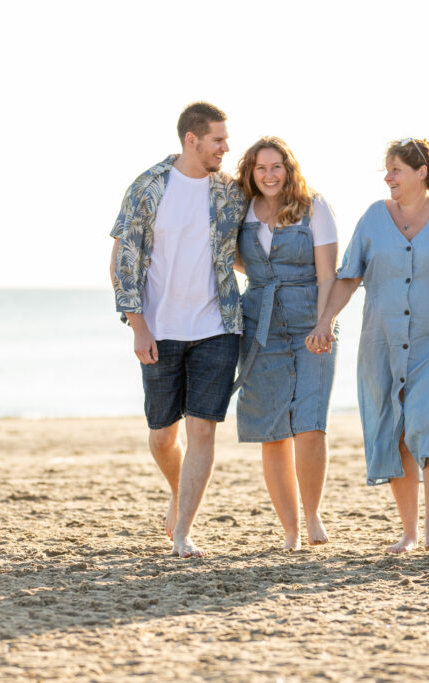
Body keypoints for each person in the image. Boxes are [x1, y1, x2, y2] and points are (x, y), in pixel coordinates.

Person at [307, 138, 429, 554]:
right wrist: (325, 320)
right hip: (381, 342)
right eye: (387, 169)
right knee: (397, 432)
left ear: (421, 172)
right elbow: (348, 277)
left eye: (396, 168)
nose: (388, 177)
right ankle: (409, 531)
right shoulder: (372, 217)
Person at [109, 102, 246, 558]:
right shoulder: (148, 187)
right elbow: (121, 263)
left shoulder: (229, 191)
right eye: (218, 140)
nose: (226, 148)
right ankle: (177, 490)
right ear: (192, 139)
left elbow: (243, 251)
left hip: (217, 326)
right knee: (163, 434)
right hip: (160, 327)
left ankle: (184, 530)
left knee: (203, 430)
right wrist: (138, 327)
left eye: (225, 140)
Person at [233, 137, 339, 550]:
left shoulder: (315, 206)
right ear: (251, 173)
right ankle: (291, 531)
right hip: (259, 322)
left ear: (288, 169)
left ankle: (313, 517)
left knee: (309, 424)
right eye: (261, 168)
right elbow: (238, 259)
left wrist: (325, 322)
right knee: (271, 431)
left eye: (276, 166)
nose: (269, 175)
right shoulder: (242, 211)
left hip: (310, 322)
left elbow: (328, 273)